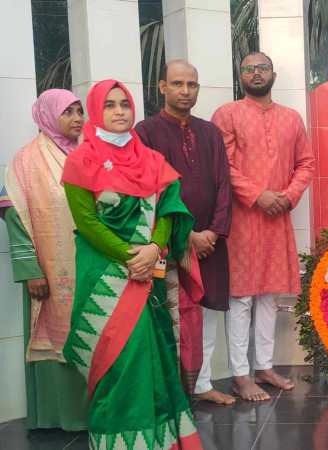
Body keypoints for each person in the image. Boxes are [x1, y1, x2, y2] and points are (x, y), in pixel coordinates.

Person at [61, 79, 202, 448]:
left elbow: (169, 209)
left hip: (148, 273)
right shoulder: (80, 161)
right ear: (96, 111)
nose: (119, 111)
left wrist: (154, 248)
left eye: (124, 103)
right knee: (121, 360)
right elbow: (87, 223)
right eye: (109, 105)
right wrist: (133, 257)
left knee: (157, 355)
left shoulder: (152, 160)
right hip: (106, 280)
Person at [211, 52, 314, 401]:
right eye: (249, 69)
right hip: (241, 219)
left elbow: (306, 163)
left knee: (269, 295)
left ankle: (264, 367)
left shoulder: (291, 118)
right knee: (241, 297)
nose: (256, 73)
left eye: (263, 68)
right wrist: (258, 196)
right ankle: (240, 375)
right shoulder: (227, 114)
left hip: (277, 218)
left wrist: (288, 195)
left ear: (273, 75)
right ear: (240, 77)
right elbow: (222, 166)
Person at [135, 60, 235, 405]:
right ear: (162, 87)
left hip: (210, 243)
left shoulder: (210, 132)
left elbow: (224, 185)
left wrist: (214, 233)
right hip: (170, 242)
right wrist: (188, 234)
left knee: (206, 310)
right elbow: (150, 189)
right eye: (177, 84)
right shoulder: (145, 132)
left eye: (191, 85)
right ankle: (172, 389)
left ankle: (202, 384)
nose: (185, 91)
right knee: (172, 312)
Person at [0, 89, 90, 431]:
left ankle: (97, 414)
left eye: (80, 111)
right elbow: (15, 218)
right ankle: (58, 417)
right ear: (48, 115)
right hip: (49, 272)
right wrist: (30, 271)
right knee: (56, 338)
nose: (78, 118)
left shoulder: (90, 153)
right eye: (68, 112)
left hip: (92, 265)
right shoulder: (26, 160)